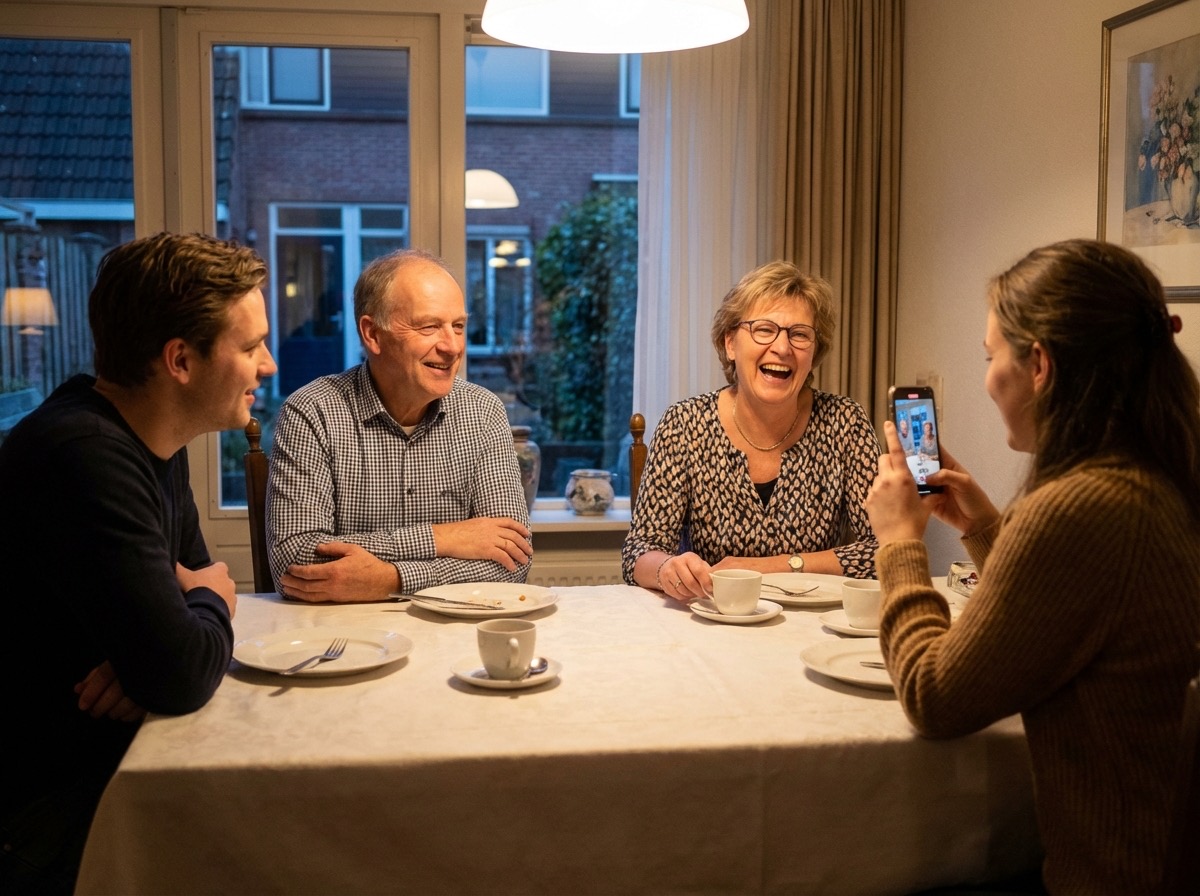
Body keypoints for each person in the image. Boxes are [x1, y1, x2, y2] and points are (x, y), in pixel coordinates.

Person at [865, 239, 1200, 895]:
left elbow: (936, 697)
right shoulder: (1152, 480)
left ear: (1039, 364)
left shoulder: (1084, 507)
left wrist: (900, 544)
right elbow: (1070, 615)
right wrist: (989, 530)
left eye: (992, 357)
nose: (988, 378)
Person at [0, 232, 275, 894]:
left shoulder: (151, 436)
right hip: (46, 813)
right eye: (249, 346)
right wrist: (198, 611)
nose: (266, 365)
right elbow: (182, 661)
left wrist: (160, 645)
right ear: (180, 360)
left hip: (114, 757)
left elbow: (173, 641)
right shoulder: (83, 454)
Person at [268, 248, 532, 602]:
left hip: (452, 641)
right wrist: (444, 538)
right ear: (372, 334)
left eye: (458, 326)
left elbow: (514, 561)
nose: (452, 347)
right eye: (429, 327)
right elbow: (296, 559)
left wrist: (392, 579)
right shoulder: (313, 411)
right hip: (345, 642)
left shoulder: (483, 411)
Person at [622, 261, 879, 600]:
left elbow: (883, 551)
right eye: (763, 329)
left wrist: (775, 566)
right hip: (712, 619)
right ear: (730, 343)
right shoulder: (684, 424)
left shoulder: (845, 422)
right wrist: (666, 567)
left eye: (799, 334)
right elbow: (638, 552)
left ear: (815, 352)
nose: (783, 348)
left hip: (810, 626)